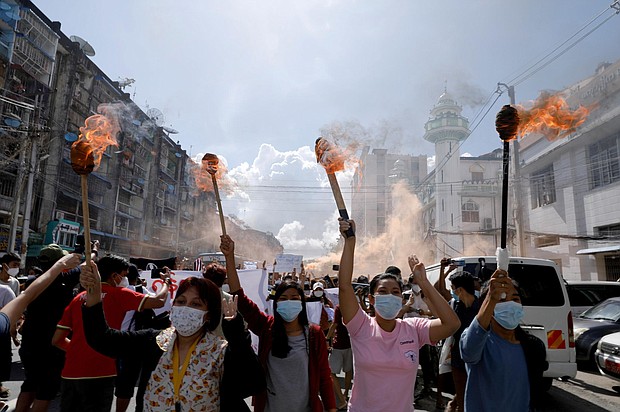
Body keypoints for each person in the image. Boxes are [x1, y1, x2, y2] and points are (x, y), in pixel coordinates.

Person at [79, 261, 265, 411]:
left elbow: (254, 382)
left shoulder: (221, 351)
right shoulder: (152, 341)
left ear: (208, 315)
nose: (186, 308)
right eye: (181, 301)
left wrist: (237, 333)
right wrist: (94, 294)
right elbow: (101, 338)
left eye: (196, 304)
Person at [337, 218, 460, 412]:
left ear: (402, 299)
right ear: (371, 299)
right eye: (383, 292)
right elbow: (344, 287)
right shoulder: (360, 326)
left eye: (395, 292)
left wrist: (424, 282)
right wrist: (350, 242)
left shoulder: (414, 329)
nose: (389, 296)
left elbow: (451, 324)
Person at [221, 234, 337, 412]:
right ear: (276, 304)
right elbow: (240, 297)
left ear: (301, 303)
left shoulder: (314, 334)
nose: (289, 302)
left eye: (294, 298)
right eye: (283, 298)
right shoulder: (266, 327)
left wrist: (332, 409)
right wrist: (229, 258)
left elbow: (324, 376)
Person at [52, 255, 169, 412]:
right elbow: (159, 301)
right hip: (101, 371)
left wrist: (78, 350)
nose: (125, 280)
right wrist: (166, 282)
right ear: (114, 276)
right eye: (124, 275)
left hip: (70, 373)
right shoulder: (119, 294)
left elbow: (57, 340)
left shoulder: (78, 299)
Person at [460, 269, 548, 412]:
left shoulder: (532, 346)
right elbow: (468, 352)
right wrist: (491, 298)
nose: (510, 305)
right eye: (501, 299)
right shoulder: (481, 344)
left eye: (515, 299)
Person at [446, 270, 480, 412]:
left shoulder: (481, 309)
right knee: (462, 400)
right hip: (458, 361)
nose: (452, 292)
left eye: (453, 288)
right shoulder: (455, 306)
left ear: (460, 289)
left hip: (478, 362)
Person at [326, 304, 353, 411]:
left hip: (338, 345)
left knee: (331, 372)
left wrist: (327, 338)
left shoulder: (339, 307)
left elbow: (335, 324)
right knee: (348, 370)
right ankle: (345, 393)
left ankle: (341, 399)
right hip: (350, 344)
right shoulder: (354, 307)